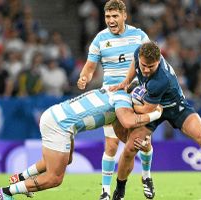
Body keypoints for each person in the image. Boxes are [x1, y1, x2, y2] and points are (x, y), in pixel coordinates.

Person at [109, 41, 201, 200]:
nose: (145, 70)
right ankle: (120, 189)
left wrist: (132, 99)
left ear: (159, 61)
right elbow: (135, 63)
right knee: (130, 148)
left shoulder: (161, 79)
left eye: (151, 67)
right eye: (144, 65)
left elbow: (146, 109)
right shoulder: (139, 52)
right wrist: (127, 80)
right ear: (140, 56)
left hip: (175, 106)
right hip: (153, 102)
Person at [0, 85, 162, 200]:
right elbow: (127, 122)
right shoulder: (123, 101)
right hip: (59, 125)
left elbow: (123, 135)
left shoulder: (115, 94)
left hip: (57, 116)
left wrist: (139, 144)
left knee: (62, 161)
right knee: (55, 178)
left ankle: (20, 178)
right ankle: (6, 192)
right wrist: (155, 114)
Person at [77, 1, 154, 199]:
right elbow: (89, 66)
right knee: (111, 145)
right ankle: (104, 191)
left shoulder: (139, 36)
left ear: (124, 16)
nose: (111, 20)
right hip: (111, 96)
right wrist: (84, 77)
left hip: (136, 95)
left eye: (115, 16)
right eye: (108, 17)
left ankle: (146, 177)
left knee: (144, 143)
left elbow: (152, 61)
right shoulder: (100, 39)